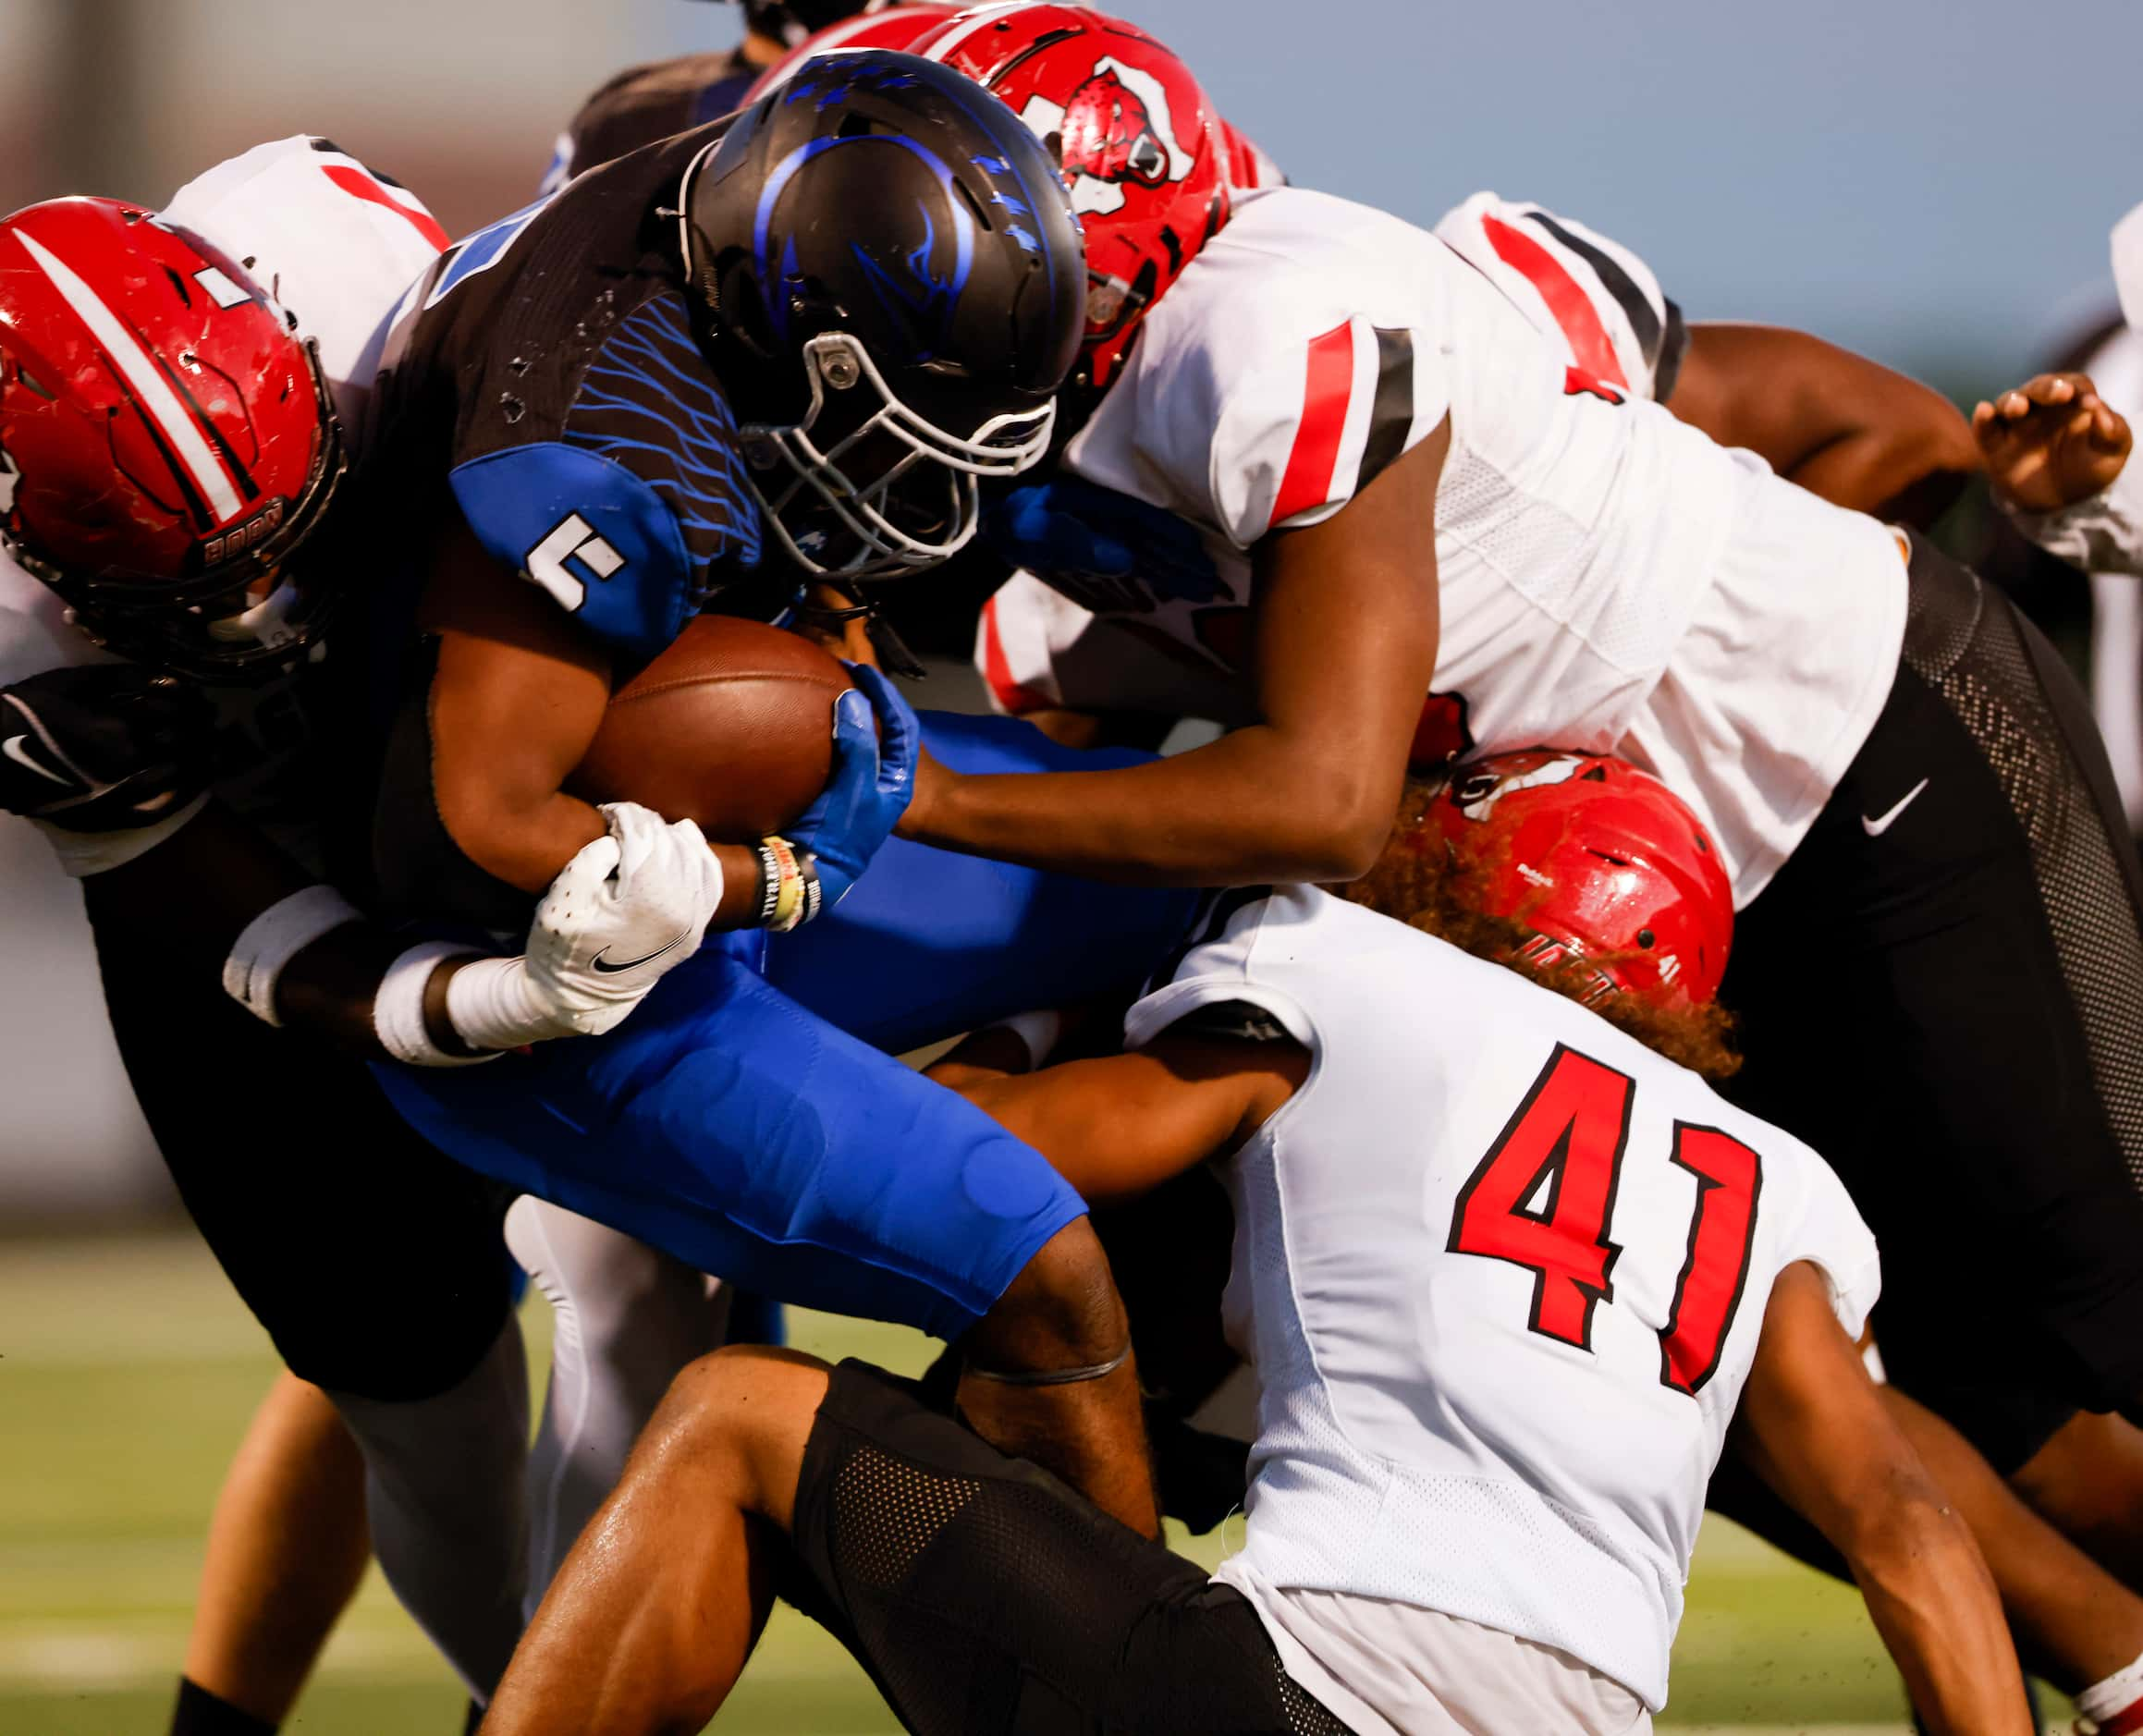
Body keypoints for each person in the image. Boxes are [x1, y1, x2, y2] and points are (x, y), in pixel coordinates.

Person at [839, 4, 2143, 1522]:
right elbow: (1100, 842)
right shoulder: (1036, 518)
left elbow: (1315, 802)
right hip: (1587, 900)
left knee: (2093, 1322)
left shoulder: (1272, 328)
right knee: (1772, 1363)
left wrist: (922, 795)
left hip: (1851, 744)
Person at [477, 755, 2032, 1736]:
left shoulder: (1357, 972)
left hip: (1305, 1700)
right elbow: (1904, 1525)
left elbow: (989, 1171)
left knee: (739, 1415)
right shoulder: (1767, 1178)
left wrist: (985, 1050)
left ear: (1479, 882)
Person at [0, 146, 743, 1731]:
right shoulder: (15, 650)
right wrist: (481, 1001)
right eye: (214, 584)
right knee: (419, 1402)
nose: (268, 606)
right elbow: (248, 928)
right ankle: (514, 1703)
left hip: (470, 733)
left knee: (650, 1289)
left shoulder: (359, 264)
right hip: (246, 882)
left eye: (288, 531)